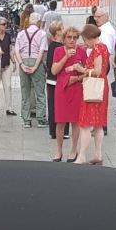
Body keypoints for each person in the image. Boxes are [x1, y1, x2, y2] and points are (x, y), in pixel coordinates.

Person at [70, 22, 110, 165]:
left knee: (85, 123)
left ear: (90, 38)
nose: (85, 43)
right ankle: (97, 155)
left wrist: (82, 70)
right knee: (98, 123)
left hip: (94, 86)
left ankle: (82, 156)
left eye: (85, 40)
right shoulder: (103, 47)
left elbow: (97, 71)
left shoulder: (97, 50)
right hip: (102, 86)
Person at [50, 24, 81, 160]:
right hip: (62, 88)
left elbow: (87, 71)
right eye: (69, 37)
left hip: (76, 87)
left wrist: (77, 77)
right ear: (64, 38)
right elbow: (54, 71)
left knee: (75, 121)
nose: (72, 40)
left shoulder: (81, 51)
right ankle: (59, 150)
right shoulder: (58, 51)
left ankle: (74, 150)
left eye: (74, 37)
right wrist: (66, 57)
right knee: (60, 121)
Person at [14, 7, 48, 127]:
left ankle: (26, 120)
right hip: (35, 61)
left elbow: (16, 50)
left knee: (25, 92)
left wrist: (21, 64)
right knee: (39, 92)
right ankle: (41, 118)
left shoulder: (21, 34)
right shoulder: (42, 34)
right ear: (38, 22)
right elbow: (41, 51)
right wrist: (36, 66)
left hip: (23, 60)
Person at [44, 19, 65, 148]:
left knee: (52, 105)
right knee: (60, 106)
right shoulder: (59, 48)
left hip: (50, 79)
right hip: (57, 80)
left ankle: (52, 130)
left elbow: (48, 64)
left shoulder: (51, 46)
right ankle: (61, 131)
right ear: (57, 33)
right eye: (62, 30)